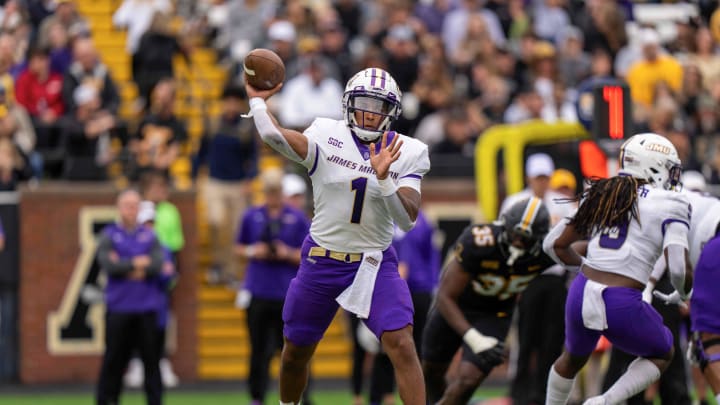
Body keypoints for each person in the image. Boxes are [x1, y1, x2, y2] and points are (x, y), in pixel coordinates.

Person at [245, 67, 430, 405]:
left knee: (402, 343)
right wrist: (258, 102)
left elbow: (406, 220)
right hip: (322, 259)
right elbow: (274, 137)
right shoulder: (326, 133)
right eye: (364, 104)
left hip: (374, 262)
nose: (371, 114)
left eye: (379, 107)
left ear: (392, 112)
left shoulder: (408, 149)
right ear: (348, 104)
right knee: (295, 353)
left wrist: (385, 179)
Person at [543, 133, 693, 405]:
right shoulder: (671, 202)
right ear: (654, 165)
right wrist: (684, 293)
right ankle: (605, 401)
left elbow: (553, 245)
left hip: (580, 291)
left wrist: (588, 268)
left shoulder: (602, 192)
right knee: (663, 351)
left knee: (571, 359)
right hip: (621, 300)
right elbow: (679, 270)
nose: (673, 176)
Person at [422, 197, 555, 404]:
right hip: (456, 307)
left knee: (468, 379)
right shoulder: (480, 240)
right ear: (505, 224)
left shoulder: (547, 251)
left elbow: (582, 246)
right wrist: (474, 338)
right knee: (431, 372)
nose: (518, 242)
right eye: (515, 234)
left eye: (526, 238)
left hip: (494, 315)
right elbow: (445, 296)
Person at [234, 168, 311, 405]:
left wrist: (287, 253)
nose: (272, 196)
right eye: (269, 192)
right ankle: (257, 396)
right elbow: (238, 247)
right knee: (258, 351)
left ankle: (300, 397)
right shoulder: (252, 215)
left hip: (287, 292)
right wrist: (252, 250)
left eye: (276, 191)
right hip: (258, 289)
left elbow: (310, 254)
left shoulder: (297, 218)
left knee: (293, 351)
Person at [95, 189, 165, 405]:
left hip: (146, 309)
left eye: (135, 205)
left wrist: (125, 262)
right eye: (127, 205)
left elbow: (156, 265)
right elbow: (109, 265)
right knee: (114, 361)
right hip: (119, 308)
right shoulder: (109, 234)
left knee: (152, 363)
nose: (131, 210)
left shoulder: (150, 235)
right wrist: (136, 263)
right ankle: (107, 400)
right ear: (119, 208)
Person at [369, 208, 440, 405]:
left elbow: (432, 255)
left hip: (418, 289)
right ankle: (379, 397)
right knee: (385, 348)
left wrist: (434, 286)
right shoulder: (378, 212)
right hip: (387, 287)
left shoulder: (423, 220)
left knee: (417, 348)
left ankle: (423, 399)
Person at [124, 200, 179, 389]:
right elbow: (123, 271)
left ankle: (160, 366)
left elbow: (168, 277)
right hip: (133, 301)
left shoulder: (162, 247)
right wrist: (152, 269)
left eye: (151, 223)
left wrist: (143, 269)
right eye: (145, 223)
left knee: (158, 338)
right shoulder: (131, 243)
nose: (149, 227)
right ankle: (135, 365)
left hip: (157, 300)